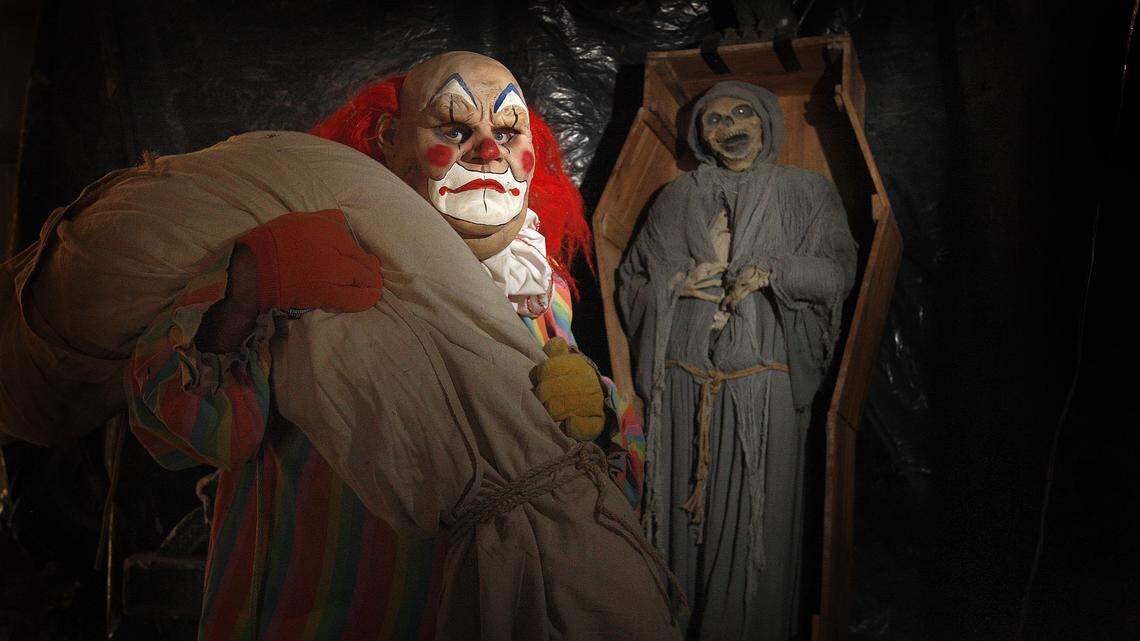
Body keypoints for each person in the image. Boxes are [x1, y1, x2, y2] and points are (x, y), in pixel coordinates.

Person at [127, 51, 645, 640]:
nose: (488, 152)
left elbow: (616, 480)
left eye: (507, 132)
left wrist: (599, 418)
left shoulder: (537, 286)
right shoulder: (306, 254)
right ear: (389, 140)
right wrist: (241, 297)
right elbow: (182, 436)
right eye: (454, 129)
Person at [617, 81, 857, 641]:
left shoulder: (806, 192)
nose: (729, 128)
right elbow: (632, 281)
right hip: (682, 385)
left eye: (742, 113)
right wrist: (676, 285)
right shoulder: (675, 199)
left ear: (769, 120)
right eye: (713, 120)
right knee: (678, 522)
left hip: (763, 385)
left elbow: (839, 274)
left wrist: (775, 270)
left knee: (755, 526)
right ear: (700, 136)